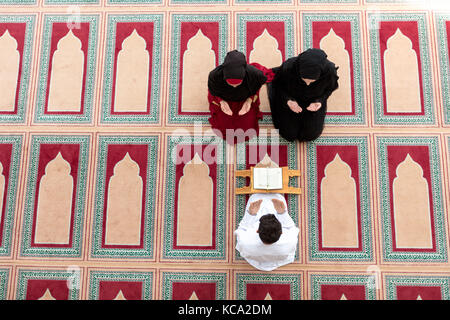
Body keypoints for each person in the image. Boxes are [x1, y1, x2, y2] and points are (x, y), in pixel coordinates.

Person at [267, 48, 339, 142]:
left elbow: (329, 89)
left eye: (312, 82)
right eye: (304, 80)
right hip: (291, 96)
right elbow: (278, 87)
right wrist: (288, 100)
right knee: (288, 133)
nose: (308, 84)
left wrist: (319, 101)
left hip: (314, 99)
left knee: (310, 134)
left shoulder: (329, 72)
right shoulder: (288, 68)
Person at [207, 50, 272, 144]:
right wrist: (221, 102)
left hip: (245, 98)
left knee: (246, 128)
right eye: (230, 83)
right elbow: (213, 92)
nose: (234, 87)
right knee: (225, 127)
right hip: (224, 98)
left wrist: (249, 101)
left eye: (238, 83)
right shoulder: (214, 75)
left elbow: (256, 89)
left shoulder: (255, 74)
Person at [234, 193, 299, 271]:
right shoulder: (290, 241)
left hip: (253, 256)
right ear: (282, 232)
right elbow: (291, 227)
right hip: (280, 257)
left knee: (255, 197)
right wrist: (282, 213)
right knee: (278, 198)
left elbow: (242, 229)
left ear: (257, 231)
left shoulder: (245, 242)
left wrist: (251, 214)